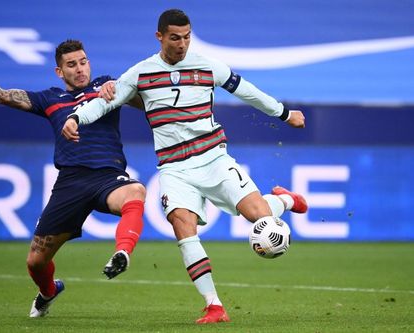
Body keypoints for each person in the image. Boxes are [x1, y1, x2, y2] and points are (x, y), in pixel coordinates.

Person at [62, 10, 308, 324]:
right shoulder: (140, 73)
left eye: (187, 36)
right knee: (183, 226)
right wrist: (75, 117)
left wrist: (285, 113)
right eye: (175, 38)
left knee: (259, 217)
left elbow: (247, 90)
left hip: (214, 158)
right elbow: (105, 102)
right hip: (174, 167)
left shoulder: (208, 67)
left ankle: (287, 200)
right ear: (160, 37)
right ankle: (214, 306)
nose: (182, 44)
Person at [0, 39, 146, 318]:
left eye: (83, 62)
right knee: (36, 262)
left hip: (108, 176)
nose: (80, 69)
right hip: (70, 184)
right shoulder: (50, 99)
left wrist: (120, 91)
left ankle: (122, 253)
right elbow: (2, 95)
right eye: (71, 65)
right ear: (60, 71)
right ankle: (48, 291)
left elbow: (146, 104)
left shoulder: (105, 86)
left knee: (136, 192)